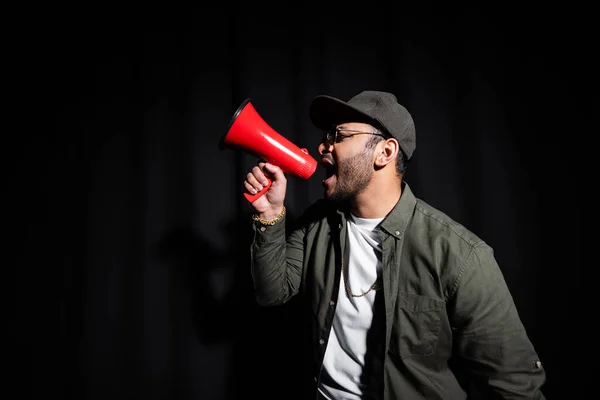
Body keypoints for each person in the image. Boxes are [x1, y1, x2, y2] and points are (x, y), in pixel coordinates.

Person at [243, 90, 546, 399]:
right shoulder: (317, 222)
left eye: (338, 135)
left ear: (384, 153)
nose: (323, 145)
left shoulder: (459, 255)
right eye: (326, 135)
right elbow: (272, 292)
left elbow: (515, 385)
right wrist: (270, 214)